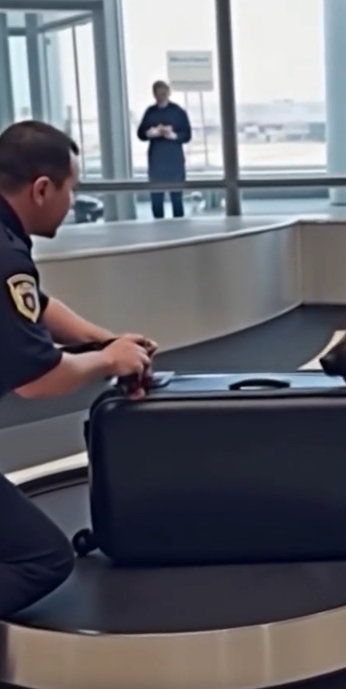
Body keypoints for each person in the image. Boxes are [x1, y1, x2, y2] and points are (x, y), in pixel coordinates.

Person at [0, 120, 157, 619]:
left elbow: (35, 305)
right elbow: (37, 380)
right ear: (42, 189)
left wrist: (104, 340)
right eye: (72, 189)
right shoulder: (4, 254)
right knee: (41, 559)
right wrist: (108, 361)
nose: (72, 202)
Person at [136, 80, 192, 220]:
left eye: (163, 94)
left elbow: (187, 135)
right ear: (154, 95)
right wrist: (151, 133)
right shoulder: (150, 112)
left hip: (174, 162)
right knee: (156, 200)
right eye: (158, 94)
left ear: (168, 93)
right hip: (157, 162)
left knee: (177, 199)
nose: (161, 97)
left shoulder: (178, 112)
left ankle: (178, 228)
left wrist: (174, 136)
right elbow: (141, 134)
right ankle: (158, 227)